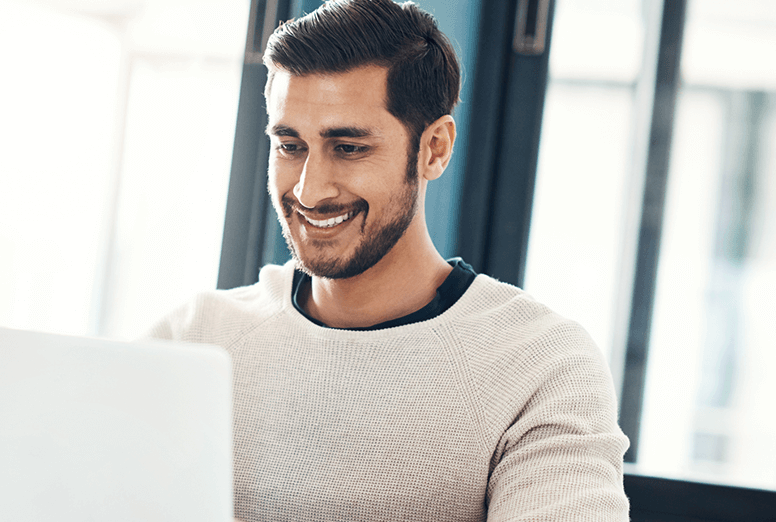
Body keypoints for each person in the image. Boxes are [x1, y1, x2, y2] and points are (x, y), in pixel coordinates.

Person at [147, 0, 630, 520]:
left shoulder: (541, 365)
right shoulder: (196, 338)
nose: (310, 190)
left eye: (349, 147)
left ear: (434, 149)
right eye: (290, 145)